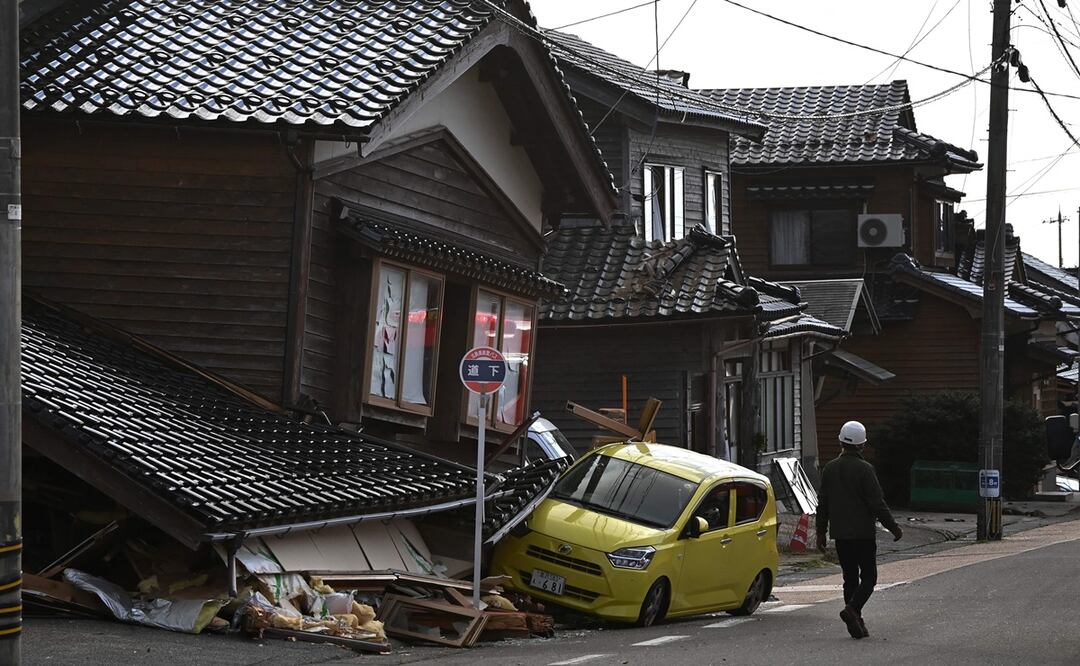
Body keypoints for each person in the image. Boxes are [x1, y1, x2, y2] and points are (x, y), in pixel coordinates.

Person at [816, 420, 902, 639]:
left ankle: (855, 617)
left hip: (841, 535)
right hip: (863, 534)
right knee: (869, 578)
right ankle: (853, 610)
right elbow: (877, 502)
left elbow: (822, 503)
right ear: (862, 445)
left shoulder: (829, 468)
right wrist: (893, 527)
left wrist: (820, 532)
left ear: (840, 441)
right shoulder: (865, 469)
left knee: (850, 578)